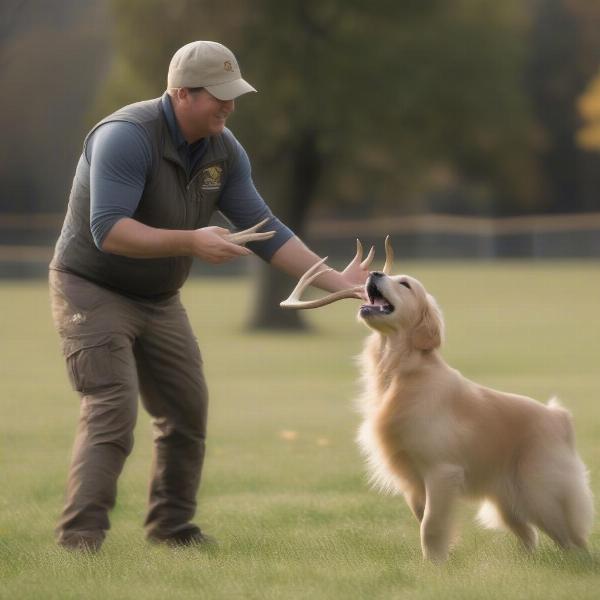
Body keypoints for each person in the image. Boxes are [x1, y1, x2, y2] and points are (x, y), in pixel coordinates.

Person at [49, 40, 368, 552]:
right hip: (92, 287)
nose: (229, 105)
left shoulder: (223, 148)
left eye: (233, 94)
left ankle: (171, 532)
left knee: (187, 408)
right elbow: (109, 230)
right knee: (112, 408)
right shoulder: (125, 137)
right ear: (179, 94)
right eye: (217, 95)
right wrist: (192, 241)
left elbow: (264, 228)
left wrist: (336, 281)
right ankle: (80, 542)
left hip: (158, 296)